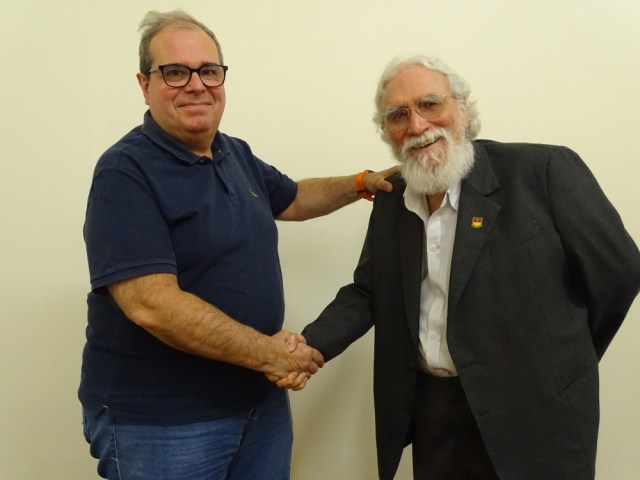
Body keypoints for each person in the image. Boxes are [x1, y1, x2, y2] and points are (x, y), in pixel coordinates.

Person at [79, 9, 397, 480]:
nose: (196, 85)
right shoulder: (125, 172)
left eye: (208, 71)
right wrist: (273, 356)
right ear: (145, 85)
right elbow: (153, 305)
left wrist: (361, 182)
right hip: (165, 424)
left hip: (259, 406)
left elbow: (293, 197)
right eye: (175, 72)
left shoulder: (233, 152)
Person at [300, 54, 640, 479]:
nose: (417, 125)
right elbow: (370, 291)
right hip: (433, 414)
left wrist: (564, 361)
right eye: (398, 115)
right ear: (387, 131)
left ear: (463, 108)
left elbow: (619, 272)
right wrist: (310, 344)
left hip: (535, 413)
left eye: (429, 104)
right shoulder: (391, 197)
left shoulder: (543, 171)